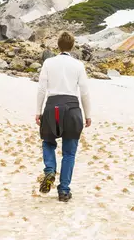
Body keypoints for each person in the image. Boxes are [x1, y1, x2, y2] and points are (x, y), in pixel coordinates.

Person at [35, 31, 92, 202]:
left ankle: (50, 169)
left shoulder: (48, 62)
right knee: (69, 152)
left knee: (48, 142)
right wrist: (88, 114)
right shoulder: (78, 65)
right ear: (72, 46)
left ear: (57, 46)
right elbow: (85, 92)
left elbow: (41, 89)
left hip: (53, 107)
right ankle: (64, 191)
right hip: (72, 108)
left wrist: (38, 111)